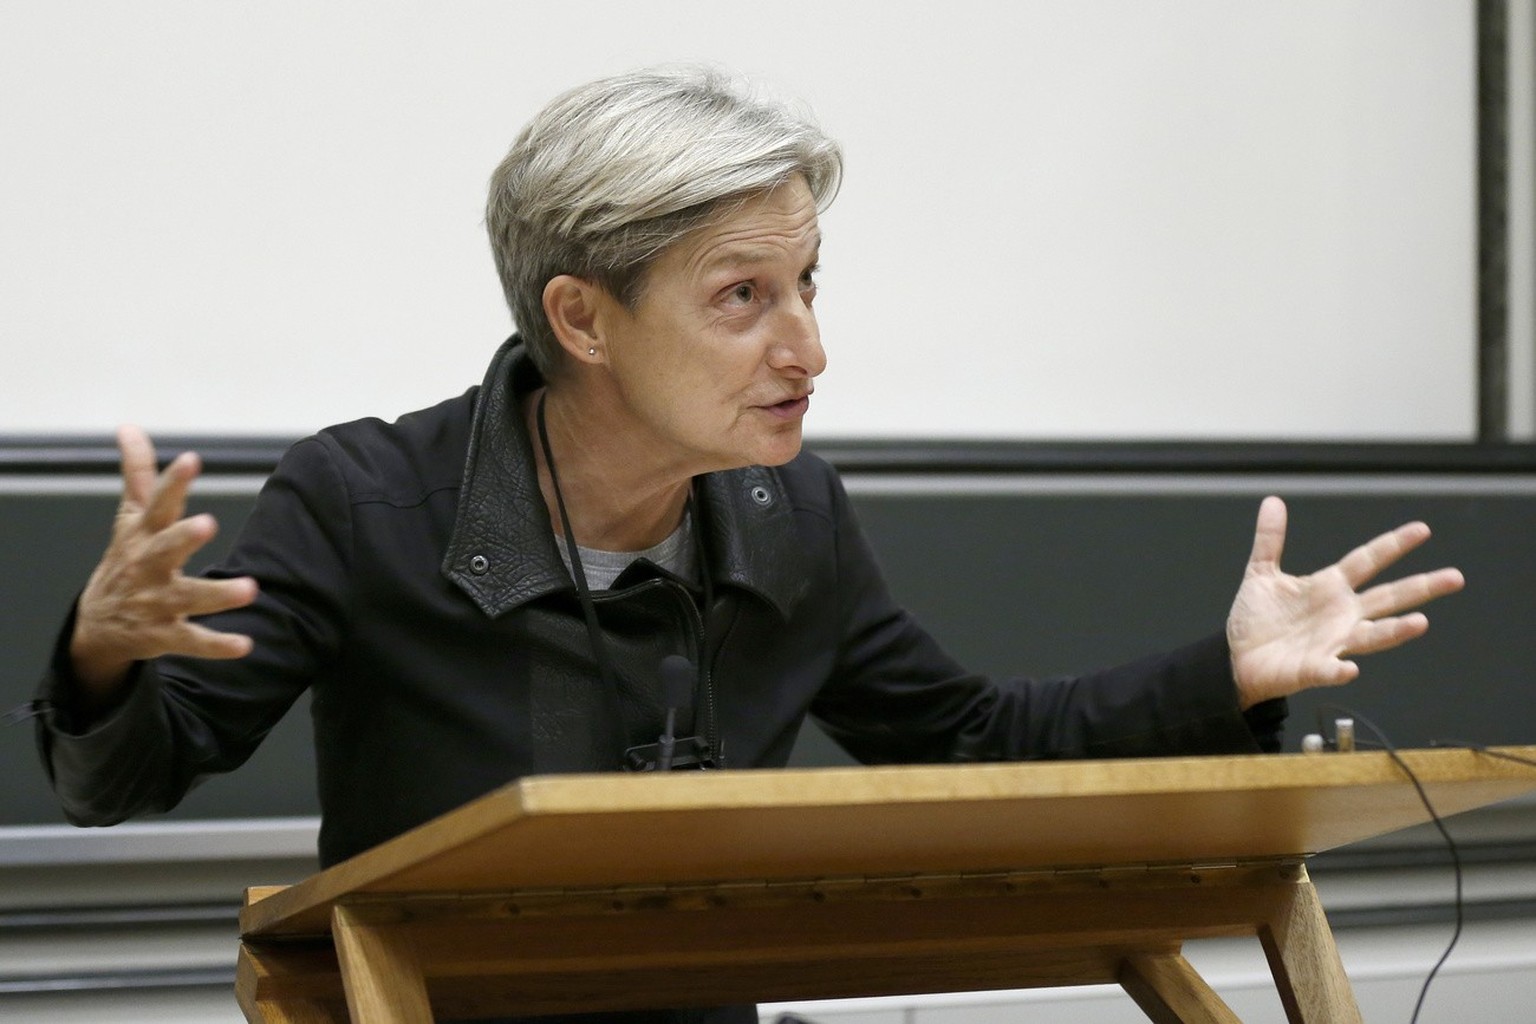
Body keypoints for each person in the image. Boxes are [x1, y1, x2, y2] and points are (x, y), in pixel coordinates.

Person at [35, 66, 1464, 1024]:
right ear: (583, 319)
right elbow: (133, 775)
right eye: (744, 298)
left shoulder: (792, 517)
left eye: (809, 286)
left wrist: (1226, 673)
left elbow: (964, 744)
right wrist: (104, 657)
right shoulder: (367, 501)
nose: (810, 348)